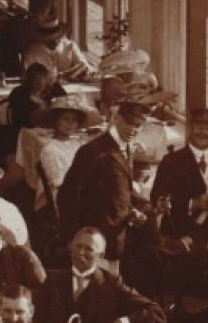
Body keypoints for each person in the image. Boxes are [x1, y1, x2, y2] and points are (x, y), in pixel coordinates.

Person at [58, 92, 162, 262]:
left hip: (118, 232)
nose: (132, 129)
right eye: (128, 122)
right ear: (117, 118)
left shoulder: (125, 147)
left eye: (138, 125)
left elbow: (117, 189)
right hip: (97, 237)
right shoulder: (93, 151)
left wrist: (134, 210)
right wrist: (72, 237)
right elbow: (68, 195)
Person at [32, 228, 164, 323]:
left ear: (100, 256)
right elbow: (35, 322)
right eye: (77, 246)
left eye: (88, 249)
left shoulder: (112, 283)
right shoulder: (52, 281)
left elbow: (156, 312)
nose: (80, 252)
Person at [149, 106, 208, 250]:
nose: (202, 133)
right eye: (198, 127)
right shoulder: (171, 161)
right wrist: (193, 203)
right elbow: (157, 197)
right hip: (182, 228)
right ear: (190, 129)